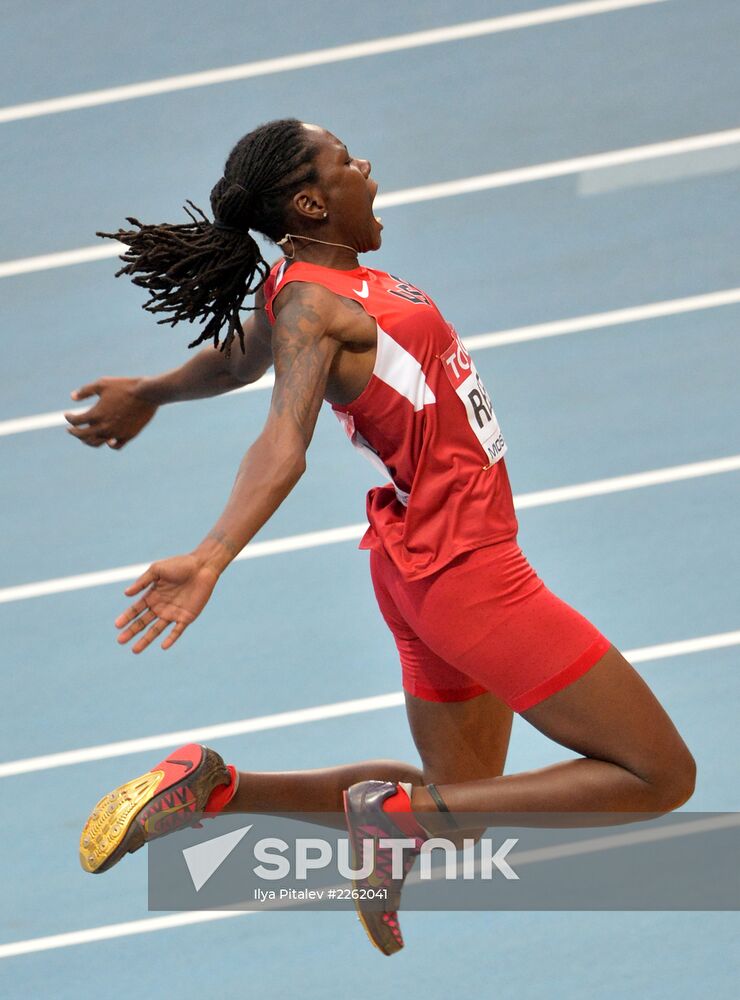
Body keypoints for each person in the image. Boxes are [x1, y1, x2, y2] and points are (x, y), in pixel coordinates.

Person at [68, 119, 695, 956]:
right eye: (345, 161)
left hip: (419, 574)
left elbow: (234, 362)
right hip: (471, 577)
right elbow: (282, 441)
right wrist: (212, 556)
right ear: (310, 202)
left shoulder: (301, 285)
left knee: (462, 807)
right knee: (659, 774)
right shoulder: (317, 306)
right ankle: (396, 819)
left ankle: (218, 789)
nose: (365, 167)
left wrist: (148, 391)